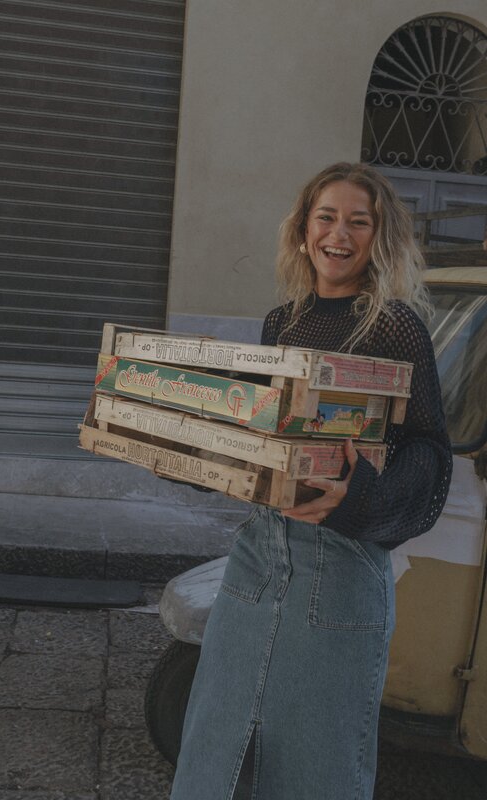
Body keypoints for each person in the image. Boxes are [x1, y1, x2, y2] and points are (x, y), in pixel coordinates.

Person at [169, 162, 452, 800]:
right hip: (259, 559)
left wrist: (356, 500)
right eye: (326, 217)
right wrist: (200, 453)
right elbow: (271, 442)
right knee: (217, 747)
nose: (340, 233)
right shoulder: (282, 321)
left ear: (378, 238)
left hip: (344, 566)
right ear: (303, 231)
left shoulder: (395, 325)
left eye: (360, 221)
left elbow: (429, 452)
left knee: (315, 765)